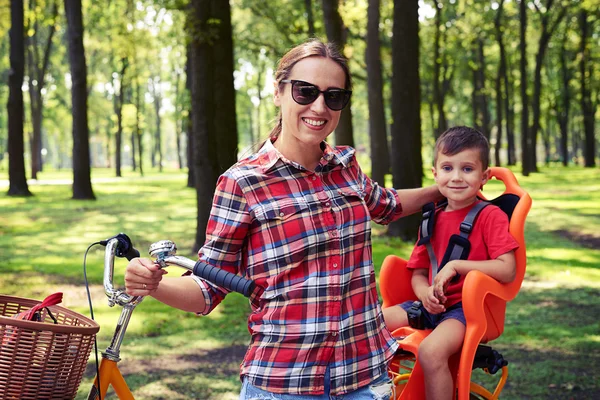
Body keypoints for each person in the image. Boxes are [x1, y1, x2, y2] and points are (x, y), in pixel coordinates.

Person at [124, 38, 442, 400]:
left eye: (334, 96)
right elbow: (208, 287)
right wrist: (153, 286)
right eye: (305, 92)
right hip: (285, 385)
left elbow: (387, 204)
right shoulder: (242, 182)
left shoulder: (346, 166)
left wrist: (443, 190)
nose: (319, 107)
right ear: (279, 91)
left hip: (365, 379)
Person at [382, 126, 519, 400]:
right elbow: (418, 273)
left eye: (467, 169)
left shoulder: (490, 216)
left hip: (466, 312)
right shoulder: (431, 217)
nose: (456, 177)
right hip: (428, 305)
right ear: (435, 174)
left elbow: (508, 268)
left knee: (431, 351)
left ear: (484, 177)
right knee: (363, 325)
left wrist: (458, 266)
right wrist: (424, 294)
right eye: (447, 168)